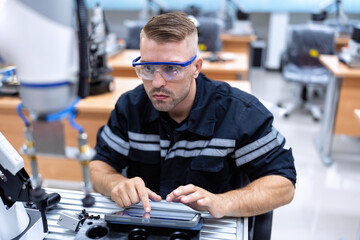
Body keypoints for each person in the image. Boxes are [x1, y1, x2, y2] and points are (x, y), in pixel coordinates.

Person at [89, 12, 296, 218]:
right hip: (147, 224)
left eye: (171, 68)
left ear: (196, 68)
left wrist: (224, 201)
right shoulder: (130, 106)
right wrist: (117, 184)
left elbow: (283, 183)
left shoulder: (239, 113)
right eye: (148, 68)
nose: (157, 82)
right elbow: (99, 165)